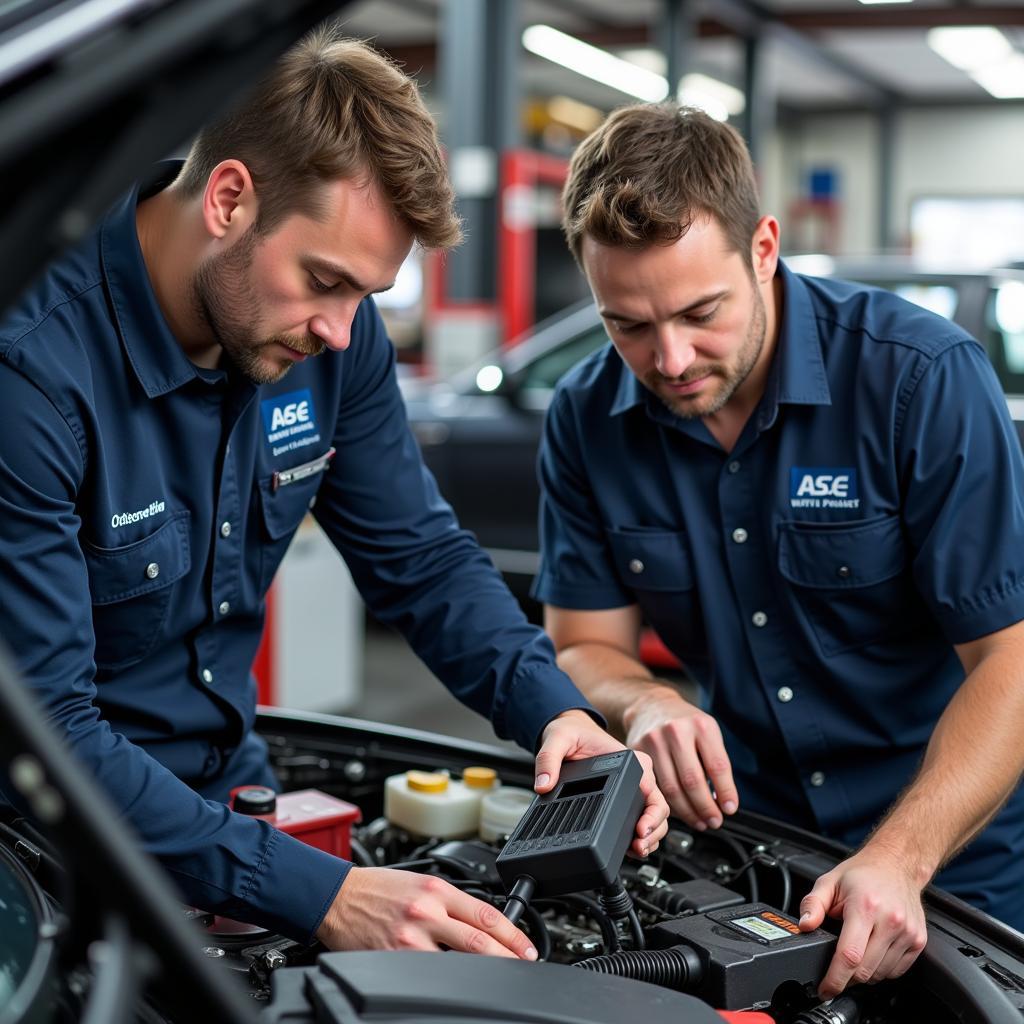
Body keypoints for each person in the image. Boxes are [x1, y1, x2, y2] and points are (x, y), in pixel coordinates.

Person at [0, 28, 669, 956]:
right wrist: (326, 896)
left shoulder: (323, 347)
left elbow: (423, 560)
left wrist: (554, 711)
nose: (345, 333)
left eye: (369, 295)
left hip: (230, 811)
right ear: (229, 199)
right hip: (42, 860)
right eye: (325, 281)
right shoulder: (33, 371)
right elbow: (48, 732)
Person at [534, 101, 1024, 997]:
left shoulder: (919, 380)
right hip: (750, 847)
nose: (671, 357)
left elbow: (1012, 659)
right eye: (627, 325)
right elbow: (582, 643)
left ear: (764, 248)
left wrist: (903, 858)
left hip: (952, 860)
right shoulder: (583, 417)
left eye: (699, 312)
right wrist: (643, 703)